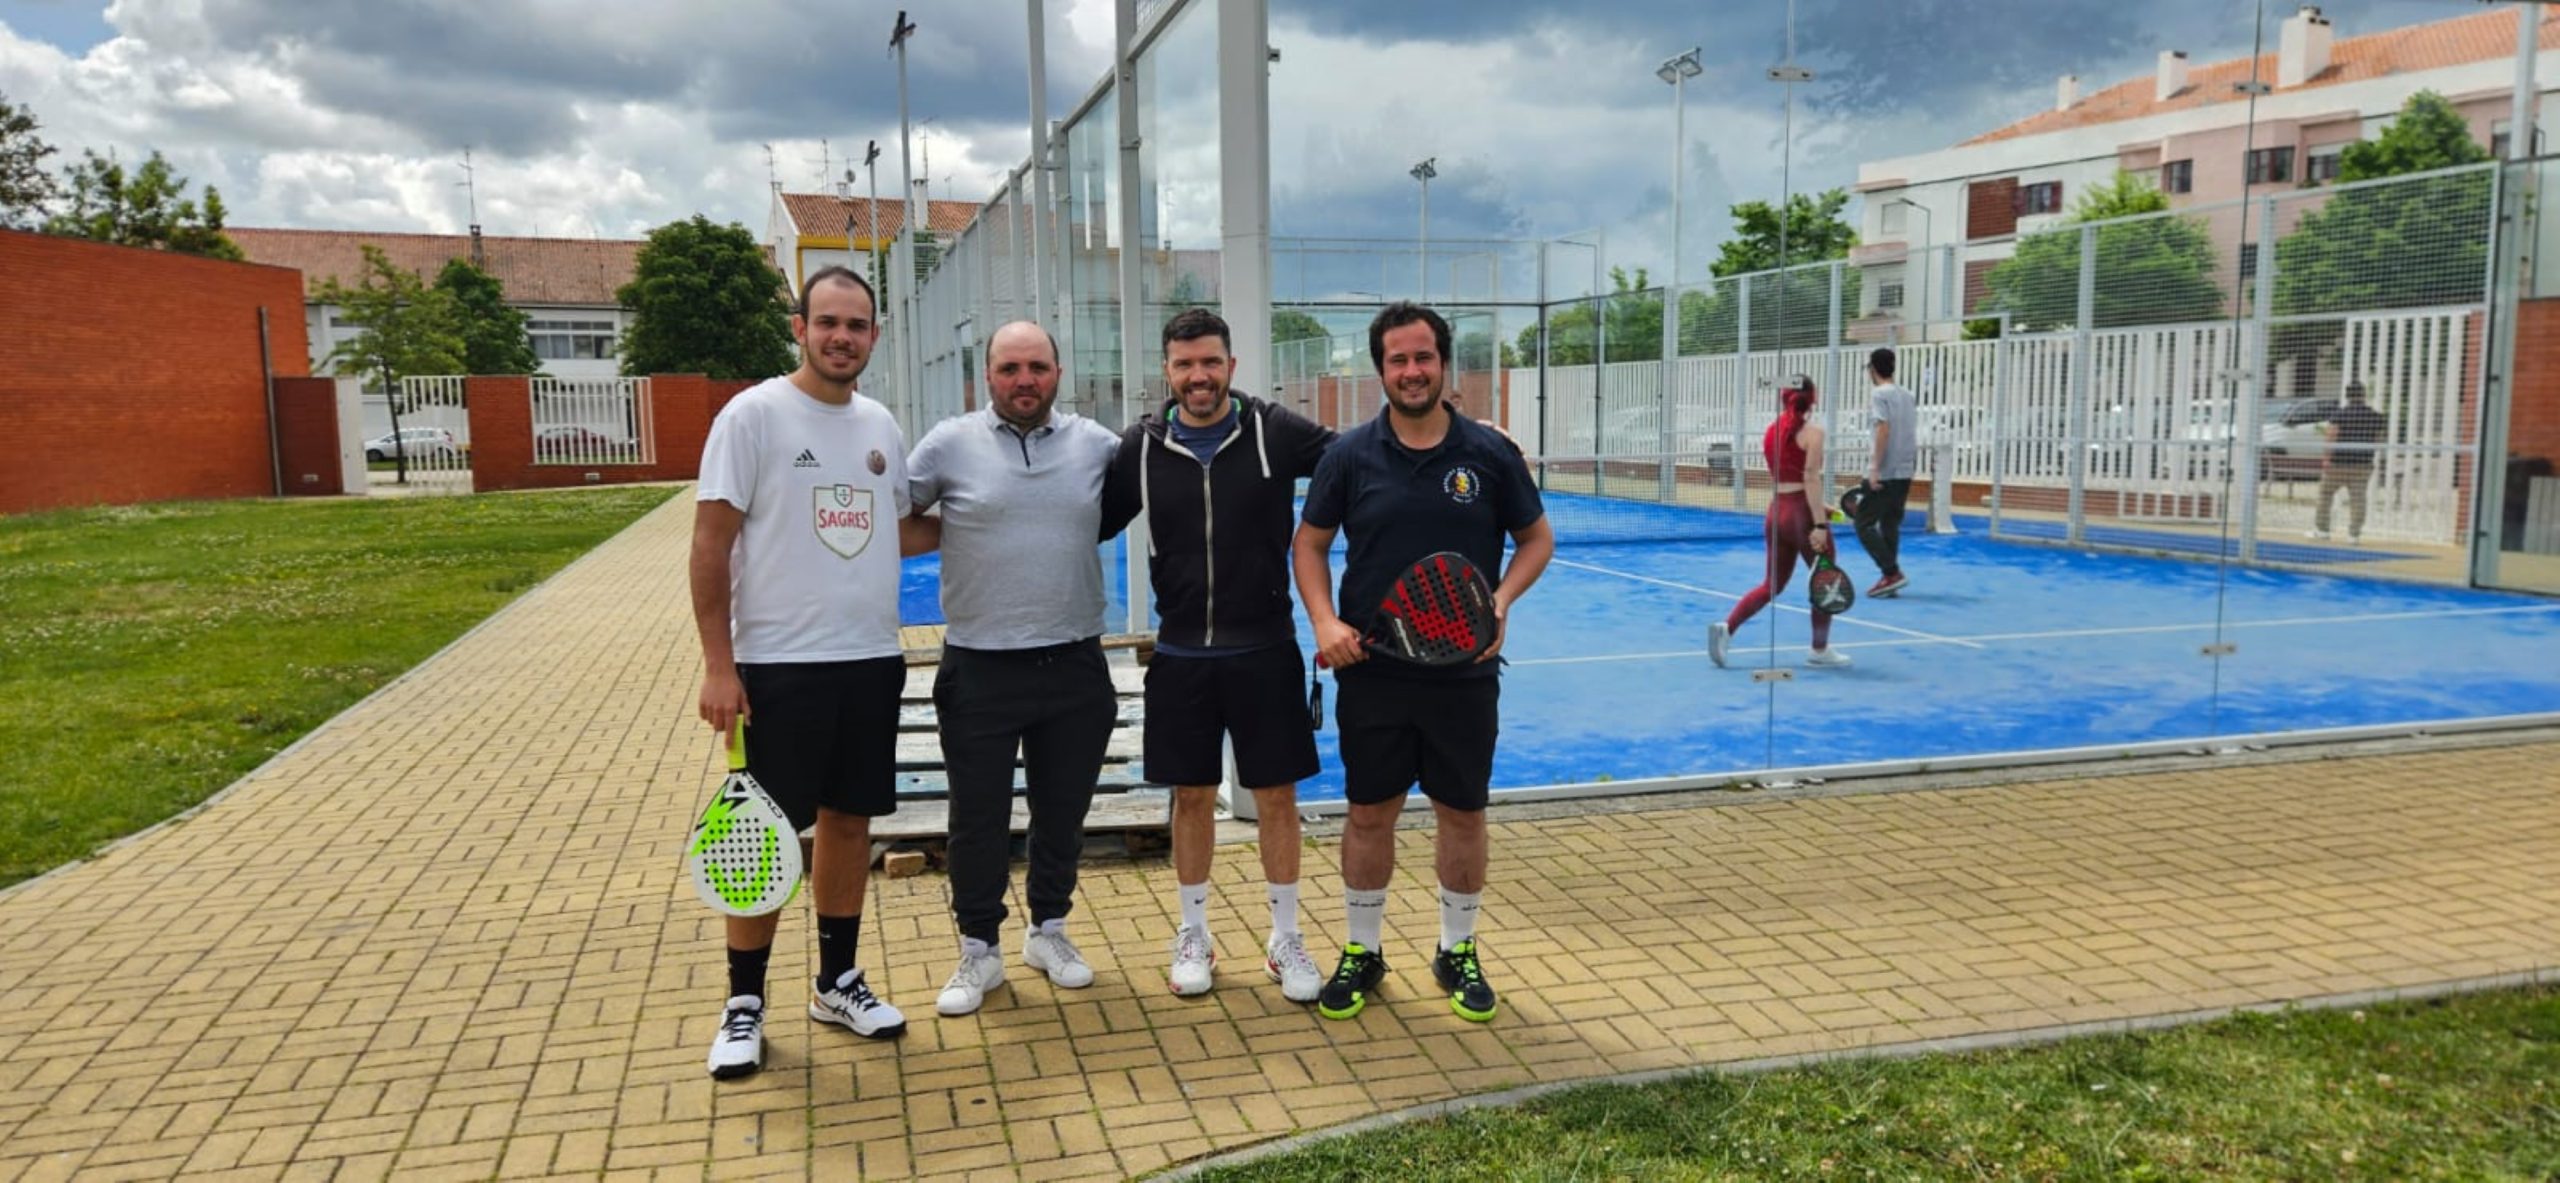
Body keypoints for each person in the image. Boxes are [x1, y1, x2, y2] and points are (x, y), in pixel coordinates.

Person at [691, 265, 934, 1081]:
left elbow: (899, 529)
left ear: (874, 335)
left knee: (849, 822)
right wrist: (718, 665)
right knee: (762, 837)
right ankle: (743, 1002)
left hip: (868, 660)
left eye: (857, 325)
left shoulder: (879, 424)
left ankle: (837, 982)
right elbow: (710, 544)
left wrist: (995, 514)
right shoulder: (752, 416)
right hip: (777, 666)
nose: (842, 337)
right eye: (827, 321)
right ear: (800, 328)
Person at [1291, 302, 1554, 1023]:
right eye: (1398, 359)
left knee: (1462, 814)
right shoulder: (1348, 456)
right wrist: (1325, 621)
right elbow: (1309, 544)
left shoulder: (1489, 454)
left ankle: (1457, 950)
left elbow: (1537, 539)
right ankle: (1364, 950)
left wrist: (1500, 600)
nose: (1412, 371)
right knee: (1368, 814)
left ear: (1443, 363)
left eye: (1423, 357)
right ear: (1381, 369)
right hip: (1373, 672)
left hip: (1464, 674)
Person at [1101, 308, 1336, 1002]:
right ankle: (1194, 933)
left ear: (1230, 366)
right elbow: (1084, 517)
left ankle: (1285, 937)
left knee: (1277, 797)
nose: (1198, 375)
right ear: (1167, 371)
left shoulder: (1273, 430)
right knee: (1193, 796)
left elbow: (1362, 459)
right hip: (1180, 654)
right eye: (1184, 364)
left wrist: (1463, 436)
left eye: (1210, 362)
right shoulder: (1141, 448)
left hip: (1266, 648)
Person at [907, 321, 1123, 1018]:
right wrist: (958, 529)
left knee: (1063, 811)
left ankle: (1047, 929)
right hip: (980, 665)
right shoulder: (948, 444)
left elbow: (1165, 485)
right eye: (1009, 368)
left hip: (1074, 662)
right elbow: (890, 516)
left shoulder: (1097, 445)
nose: (1024, 380)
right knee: (977, 818)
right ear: (988, 376)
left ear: (1058, 372)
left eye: (1037, 367)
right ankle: (979, 947)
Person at [1708, 373, 1851, 670]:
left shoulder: (1771, 431)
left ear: (1784, 398)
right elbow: (1809, 478)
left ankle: (1727, 628)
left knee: (1771, 585)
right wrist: (1819, 524)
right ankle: (1819, 650)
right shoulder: (1814, 433)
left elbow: (1785, 478)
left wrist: (1819, 507)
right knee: (1825, 580)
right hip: (1803, 516)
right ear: (1813, 399)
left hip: (1777, 513)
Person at [1857, 347, 1919, 597]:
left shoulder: (1878, 394)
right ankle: (1890, 579)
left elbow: (1883, 429)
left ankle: (1891, 572)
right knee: (1890, 524)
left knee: (1863, 523)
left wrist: (1874, 468)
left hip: (1885, 471)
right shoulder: (1908, 395)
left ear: (1872, 369)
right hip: (1905, 469)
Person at [2310, 380, 2387, 544]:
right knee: (2358, 499)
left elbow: (2331, 437)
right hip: (2362, 464)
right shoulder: (2376, 417)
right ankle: (2354, 534)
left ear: (2347, 396)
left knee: (2325, 494)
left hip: (2338, 464)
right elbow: (2378, 441)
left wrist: (2326, 459)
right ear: (2364, 394)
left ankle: (2322, 530)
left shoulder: (2339, 415)